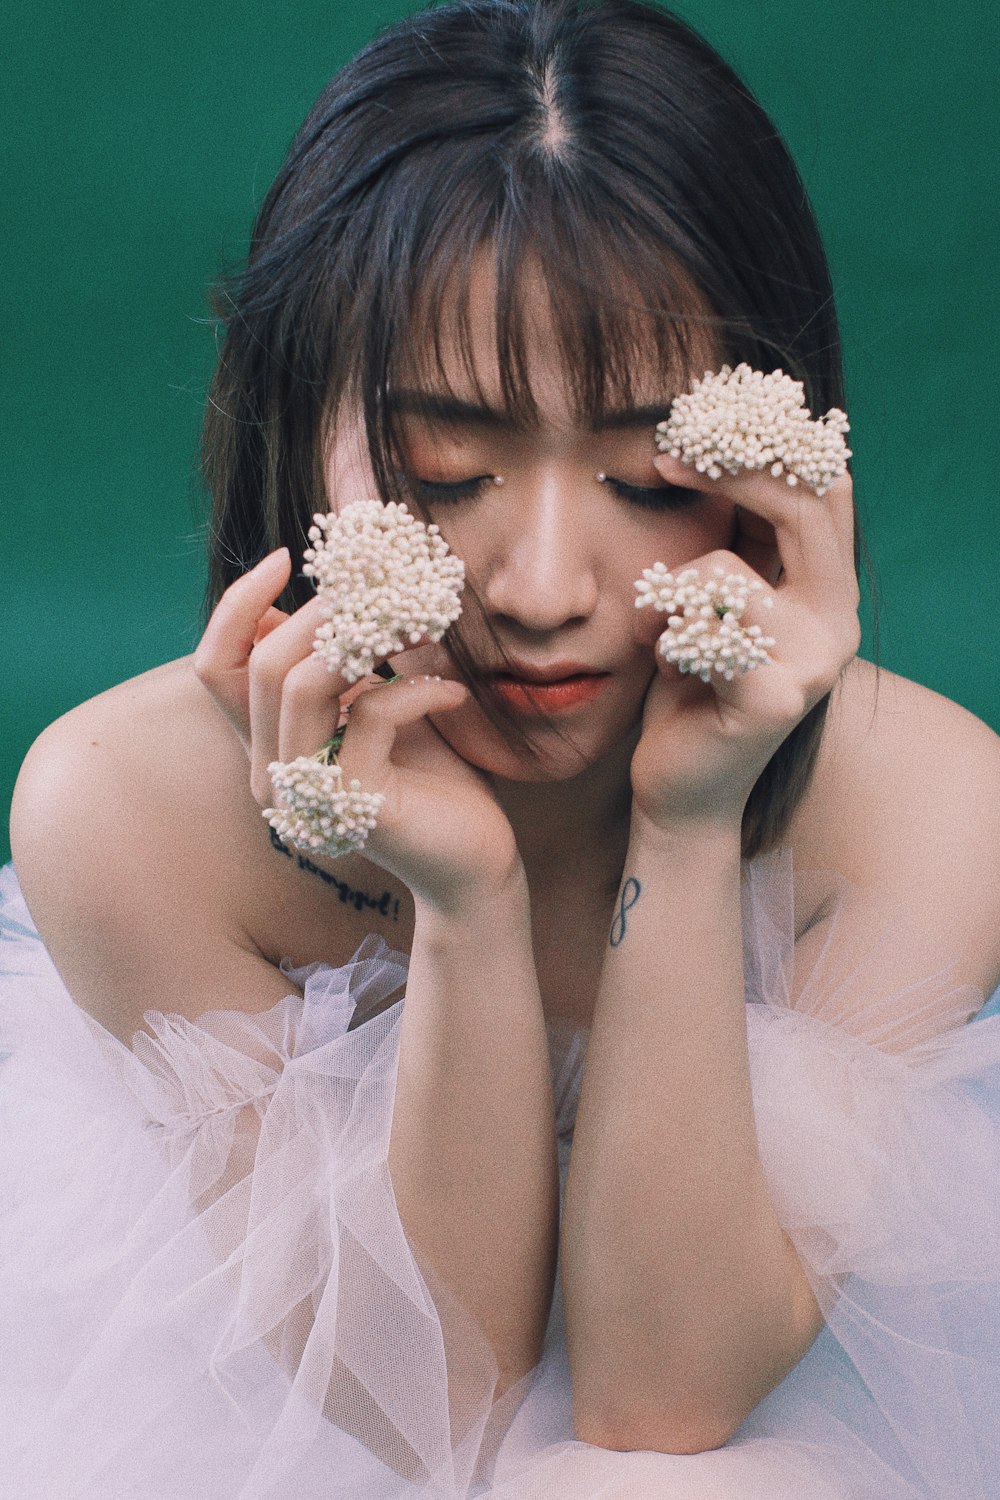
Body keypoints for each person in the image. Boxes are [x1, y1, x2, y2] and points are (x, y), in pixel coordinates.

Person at [3, 0, 999, 1495]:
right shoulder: (121, 809)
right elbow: (434, 1410)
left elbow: (661, 1404)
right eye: (446, 471)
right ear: (296, 435)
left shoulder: (932, 801)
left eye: (652, 476)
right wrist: (461, 898)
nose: (542, 588)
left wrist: (690, 817)